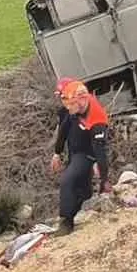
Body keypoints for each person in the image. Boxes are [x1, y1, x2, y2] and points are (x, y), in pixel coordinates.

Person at [51, 79, 110, 235]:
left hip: (87, 153)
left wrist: (104, 179)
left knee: (67, 180)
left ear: (81, 101)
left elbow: (100, 150)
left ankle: (66, 221)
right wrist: (57, 153)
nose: (68, 109)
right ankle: (79, 208)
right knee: (83, 190)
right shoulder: (74, 107)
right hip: (75, 150)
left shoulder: (97, 119)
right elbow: (64, 128)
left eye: (71, 105)